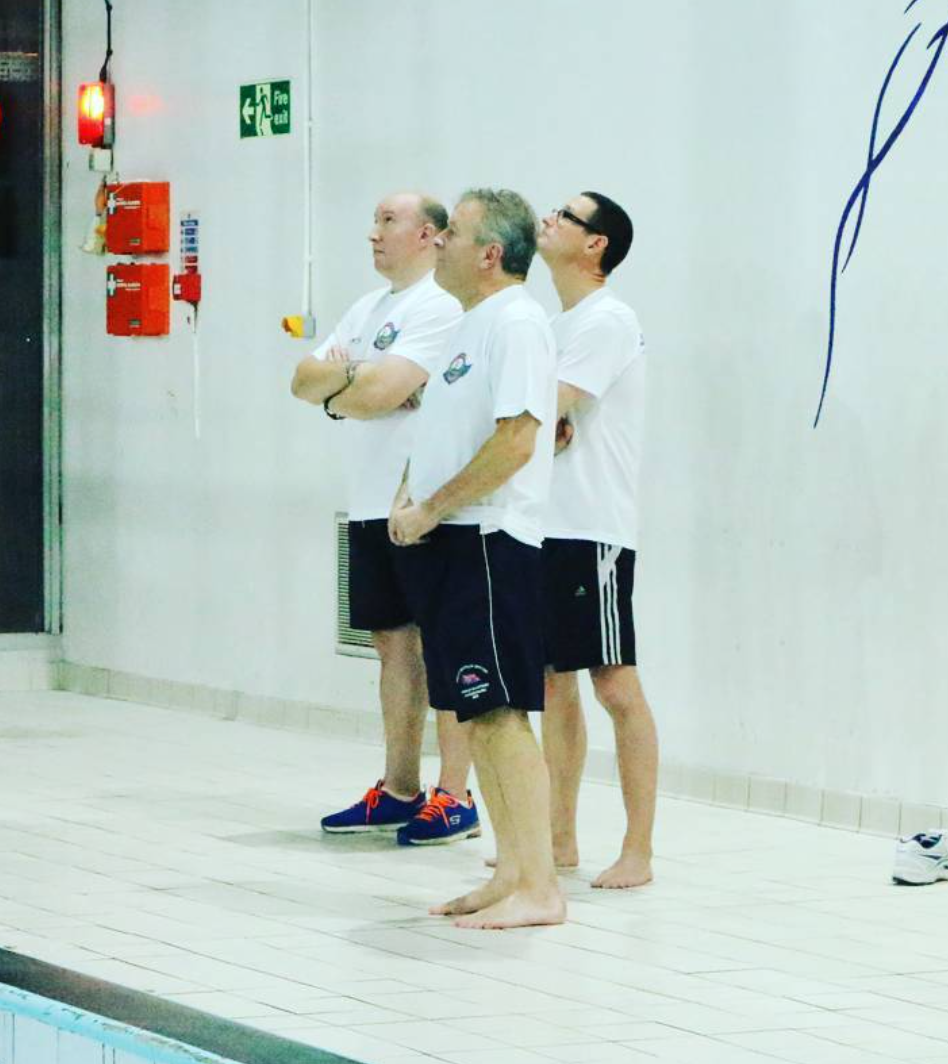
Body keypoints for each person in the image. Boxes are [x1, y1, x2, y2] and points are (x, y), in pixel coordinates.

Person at [389, 188, 564, 929]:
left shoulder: (518, 321)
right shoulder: (473, 324)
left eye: (452, 234)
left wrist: (432, 507)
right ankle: (511, 875)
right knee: (476, 712)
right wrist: (413, 500)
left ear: (490, 253)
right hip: (453, 542)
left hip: (488, 540)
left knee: (499, 715)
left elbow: (518, 440)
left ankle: (542, 887)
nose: (439, 244)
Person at [291, 191, 478, 846]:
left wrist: (347, 387)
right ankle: (400, 789)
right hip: (370, 502)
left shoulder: (440, 304)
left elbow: (371, 392)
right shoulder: (367, 308)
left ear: (428, 234)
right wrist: (353, 391)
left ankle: (456, 795)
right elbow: (302, 379)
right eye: (373, 219)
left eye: (387, 221)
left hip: (423, 505)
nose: (373, 233)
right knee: (391, 647)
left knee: (444, 646)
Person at [535, 191, 658, 889]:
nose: (547, 220)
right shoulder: (559, 324)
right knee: (553, 685)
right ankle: (558, 841)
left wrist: (538, 416)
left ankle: (638, 851)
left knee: (615, 685)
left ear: (595, 245)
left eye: (566, 216)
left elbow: (539, 410)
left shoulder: (609, 319)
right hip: (545, 525)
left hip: (593, 529)